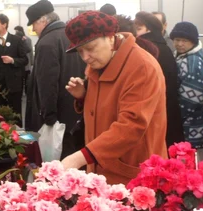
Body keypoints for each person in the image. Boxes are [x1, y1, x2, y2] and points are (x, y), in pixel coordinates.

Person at [62, 11, 168, 184]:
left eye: (90, 48)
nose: (85, 57)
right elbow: (106, 107)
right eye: (80, 51)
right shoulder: (98, 63)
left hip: (133, 174)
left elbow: (131, 125)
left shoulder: (142, 67)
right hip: (100, 171)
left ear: (110, 37)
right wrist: (83, 97)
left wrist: (80, 158)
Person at [25, 0, 86, 159]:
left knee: (57, 161)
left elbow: (47, 83)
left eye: (34, 25)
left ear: (43, 21)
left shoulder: (46, 42)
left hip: (57, 117)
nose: (33, 29)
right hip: (74, 109)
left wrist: (49, 117)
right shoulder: (70, 36)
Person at [135, 11, 184, 147]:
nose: (135, 33)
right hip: (169, 111)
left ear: (149, 29)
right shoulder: (166, 48)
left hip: (152, 114)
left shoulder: (145, 49)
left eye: (139, 29)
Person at [170, 22, 203, 149]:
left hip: (191, 126)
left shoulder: (193, 63)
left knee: (190, 163)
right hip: (190, 126)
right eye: (177, 40)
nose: (180, 44)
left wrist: (173, 118)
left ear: (192, 42)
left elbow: (192, 100)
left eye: (184, 40)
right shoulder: (181, 57)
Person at [14, 25, 33, 92]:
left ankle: (23, 91)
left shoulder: (23, 39)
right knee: (26, 79)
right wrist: (32, 62)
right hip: (27, 63)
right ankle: (27, 92)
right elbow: (30, 52)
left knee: (22, 79)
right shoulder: (28, 39)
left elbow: (28, 50)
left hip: (22, 63)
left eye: (16, 31)